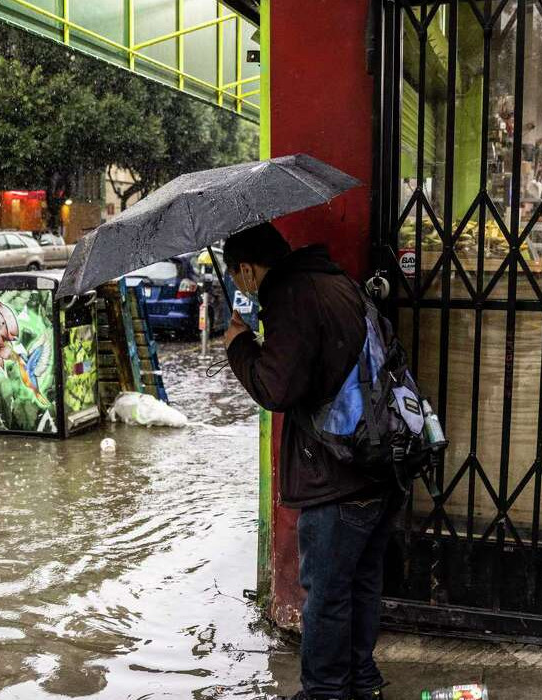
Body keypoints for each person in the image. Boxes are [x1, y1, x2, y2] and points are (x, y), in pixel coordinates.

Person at [222, 222, 395, 700]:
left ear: (248, 270)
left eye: (238, 277)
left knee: (326, 597)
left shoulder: (291, 295)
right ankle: (362, 683)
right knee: (359, 585)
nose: (240, 286)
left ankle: (323, 692)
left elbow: (277, 388)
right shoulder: (336, 281)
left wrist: (240, 344)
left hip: (334, 471)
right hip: (377, 461)